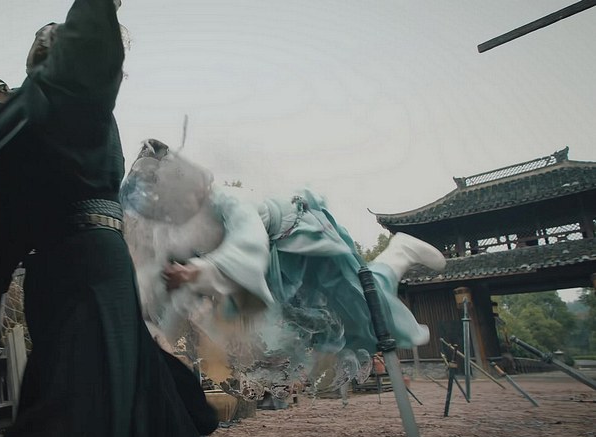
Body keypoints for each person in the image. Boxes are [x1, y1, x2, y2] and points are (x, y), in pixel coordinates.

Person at [0, 2, 215, 437]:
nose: (39, 49)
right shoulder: (35, 105)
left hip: (88, 262)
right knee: (80, 382)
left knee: (80, 397)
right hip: (61, 265)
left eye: (50, 44)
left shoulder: (77, 97)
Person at [121, 139, 447, 392]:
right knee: (316, 331)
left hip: (302, 245)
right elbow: (165, 284)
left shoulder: (225, 199)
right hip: (270, 276)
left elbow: (249, 241)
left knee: (365, 306)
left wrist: (199, 272)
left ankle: (399, 252)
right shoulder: (174, 232)